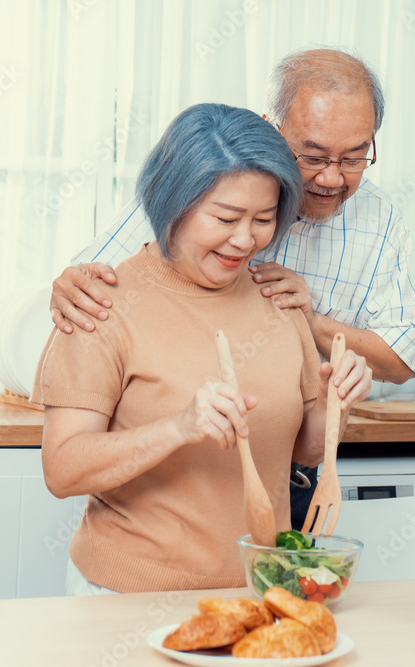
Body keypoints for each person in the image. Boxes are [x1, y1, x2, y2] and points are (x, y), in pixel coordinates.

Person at [48, 48, 415, 528]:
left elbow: (401, 358)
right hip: (164, 488)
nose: (332, 177)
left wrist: (309, 323)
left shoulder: (378, 217)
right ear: (272, 129)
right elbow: (97, 286)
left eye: (354, 158)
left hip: (285, 473)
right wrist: (63, 285)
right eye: (312, 156)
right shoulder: (209, 177)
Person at [31, 103, 373, 594]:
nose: (244, 239)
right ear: (173, 201)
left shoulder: (279, 297)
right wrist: (178, 427)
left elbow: (302, 449)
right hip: (128, 596)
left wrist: (337, 400)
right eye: (225, 217)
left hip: (261, 591)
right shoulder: (98, 305)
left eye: (263, 219)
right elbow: (62, 470)